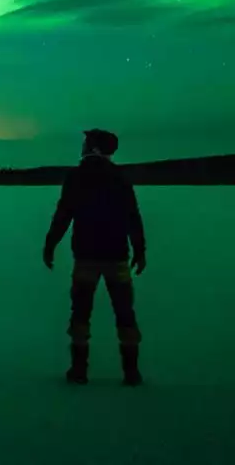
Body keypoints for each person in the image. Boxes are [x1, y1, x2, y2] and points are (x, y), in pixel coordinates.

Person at [41, 128, 147, 386]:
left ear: (95, 147)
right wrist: (140, 249)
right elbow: (133, 215)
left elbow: (64, 213)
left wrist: (51, 243)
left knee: (80, 312)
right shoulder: (120, 177)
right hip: (117, 256)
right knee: (124, 312)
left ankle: (79, 370)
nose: (83, 145)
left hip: (87, 256)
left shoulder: (77, 177)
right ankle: (131, 372)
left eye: (87, 142)